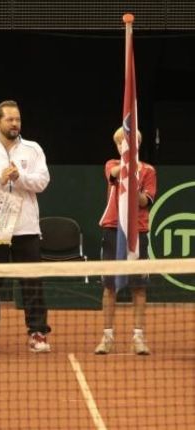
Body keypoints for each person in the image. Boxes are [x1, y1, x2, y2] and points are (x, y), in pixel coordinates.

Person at [0, 100, 52, 353]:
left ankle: (37, 332)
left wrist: (20, 178)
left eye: (17, 119)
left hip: (26, 227)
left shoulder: (33, 149)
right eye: (10, 120)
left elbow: (43, 181)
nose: (15, 124)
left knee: (32, 284)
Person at [95, 127, 156, 355]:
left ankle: (138, 337)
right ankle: (107, 337)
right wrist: (127, 169)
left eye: (128, 142)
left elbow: (144, 201)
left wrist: (134, 184)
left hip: (137, 233)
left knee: (138, 286)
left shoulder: (148, 170)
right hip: (113, 229)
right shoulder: (112, 165)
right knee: (110, 286)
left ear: (137, 144)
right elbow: (113, 175)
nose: (124, 145)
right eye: (120, 142)